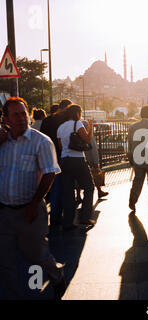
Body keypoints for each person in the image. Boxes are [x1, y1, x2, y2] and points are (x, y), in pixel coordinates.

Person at [0, 97, 66, 299]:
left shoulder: (41, 142)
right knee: (6, 260)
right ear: (6, 119)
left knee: (37, 255)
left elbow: (49, 174)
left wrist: (35, 203)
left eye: (23, 114)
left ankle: (56, 275)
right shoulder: (2, 142)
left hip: (30, 210)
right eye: (15, 115)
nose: (21, 118)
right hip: (5, 211)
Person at [57, 104, 95, 230]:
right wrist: (90, 127)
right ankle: (84, 218)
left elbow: (61, 147)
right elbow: (88, 140)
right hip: (77, 160)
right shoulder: (77, 124)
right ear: (77, 113)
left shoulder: (61, 127)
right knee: (89, 187)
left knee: (68, 192)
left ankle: (68, 222)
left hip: (64, 161)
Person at [40, 100, 71, 226]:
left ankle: (53, 216)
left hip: (47, 155)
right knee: (63, 187)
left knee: (52, 187)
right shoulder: (66, 121)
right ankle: (58, 216)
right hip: (62, 155)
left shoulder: (47, 120)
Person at [128, 105, 148, 212]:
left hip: (137, 157)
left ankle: (133, 199)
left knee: (138, 180)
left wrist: (131, 157)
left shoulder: (132, 127)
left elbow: (130, 144)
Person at [76, 120, 109, 200]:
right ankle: (99, 191)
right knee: (95, 176)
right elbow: (93, 149)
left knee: (77, 177)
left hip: (79, 159)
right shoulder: (89, 136)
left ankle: (78, 195)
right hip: (90, 160)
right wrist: (95, 162)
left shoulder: (77, 136)